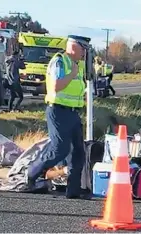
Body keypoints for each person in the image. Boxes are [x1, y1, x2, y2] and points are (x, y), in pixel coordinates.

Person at [25, 35, 91, 199]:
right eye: (83, 49)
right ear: (74, 46)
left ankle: (73, 190)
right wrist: (72, 74)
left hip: (73, 112)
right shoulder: (60, 61)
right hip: (58, 111)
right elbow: (56, 86)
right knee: (59, 149)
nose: (84, 53)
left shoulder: (77, 65)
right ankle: (31, 173)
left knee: (78, 152)